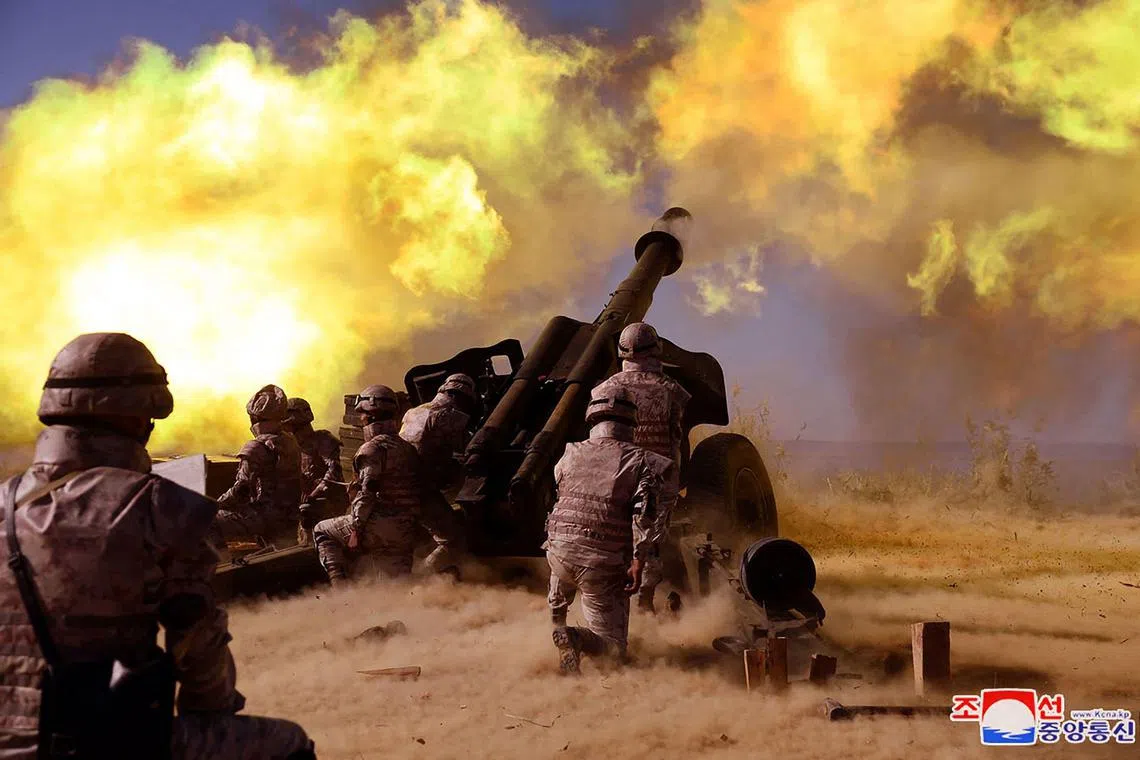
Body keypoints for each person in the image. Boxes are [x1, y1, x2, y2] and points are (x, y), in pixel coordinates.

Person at [0, 332, 314, 759]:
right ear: (136, 416)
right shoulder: (158, 506)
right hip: (108, 742)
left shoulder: (4, 502)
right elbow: (202, 667)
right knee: (287, 744)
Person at [545, 385, 674, 674]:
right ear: (631, 420)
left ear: (592, 416)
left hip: (559, 554)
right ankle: (576, 637)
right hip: (600, 563)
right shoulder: (641, 460)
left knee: (560, 596)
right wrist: (639, 561)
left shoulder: (569, 453)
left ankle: (557, 631)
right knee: (614, 649)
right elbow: (644, 515)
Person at [312, 385, 461, 587]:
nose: (361, 419)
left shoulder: (371, 449)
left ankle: (340, 591)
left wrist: (356, 529)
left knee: (322, 530)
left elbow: (367, 493)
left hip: (378, 524)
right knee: (394, 589)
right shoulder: (406, 448)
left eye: (362, 414)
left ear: (370, 415)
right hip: (404, 528)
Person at [593, 322, 690, 613]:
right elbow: (676, 434)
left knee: (616, 537)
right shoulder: (672, 390)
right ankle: (643, 603)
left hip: (617, 474)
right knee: (650, 542)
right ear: (656, 348)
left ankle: (611, 602)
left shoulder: (605, 389)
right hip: (659, 479)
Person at [214, 385, 304, 547]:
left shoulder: (254, 448)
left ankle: (224, 567)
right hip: (288, 517)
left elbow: (240, 490)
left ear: (254, 418)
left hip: (263, 518)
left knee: (205, 520)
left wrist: (215, 504)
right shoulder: (291, 441)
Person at [399, 373, 476, 491]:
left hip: (403, 470)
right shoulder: (446, 415)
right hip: (426, 476)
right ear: (457, 396)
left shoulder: (413, 411)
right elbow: (466, 446)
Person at [283, 397, 344, 545]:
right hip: (308, 504)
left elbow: (333, 472)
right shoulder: (294, 446)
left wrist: (313, 494)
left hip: (328, 502)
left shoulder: (323, 440)